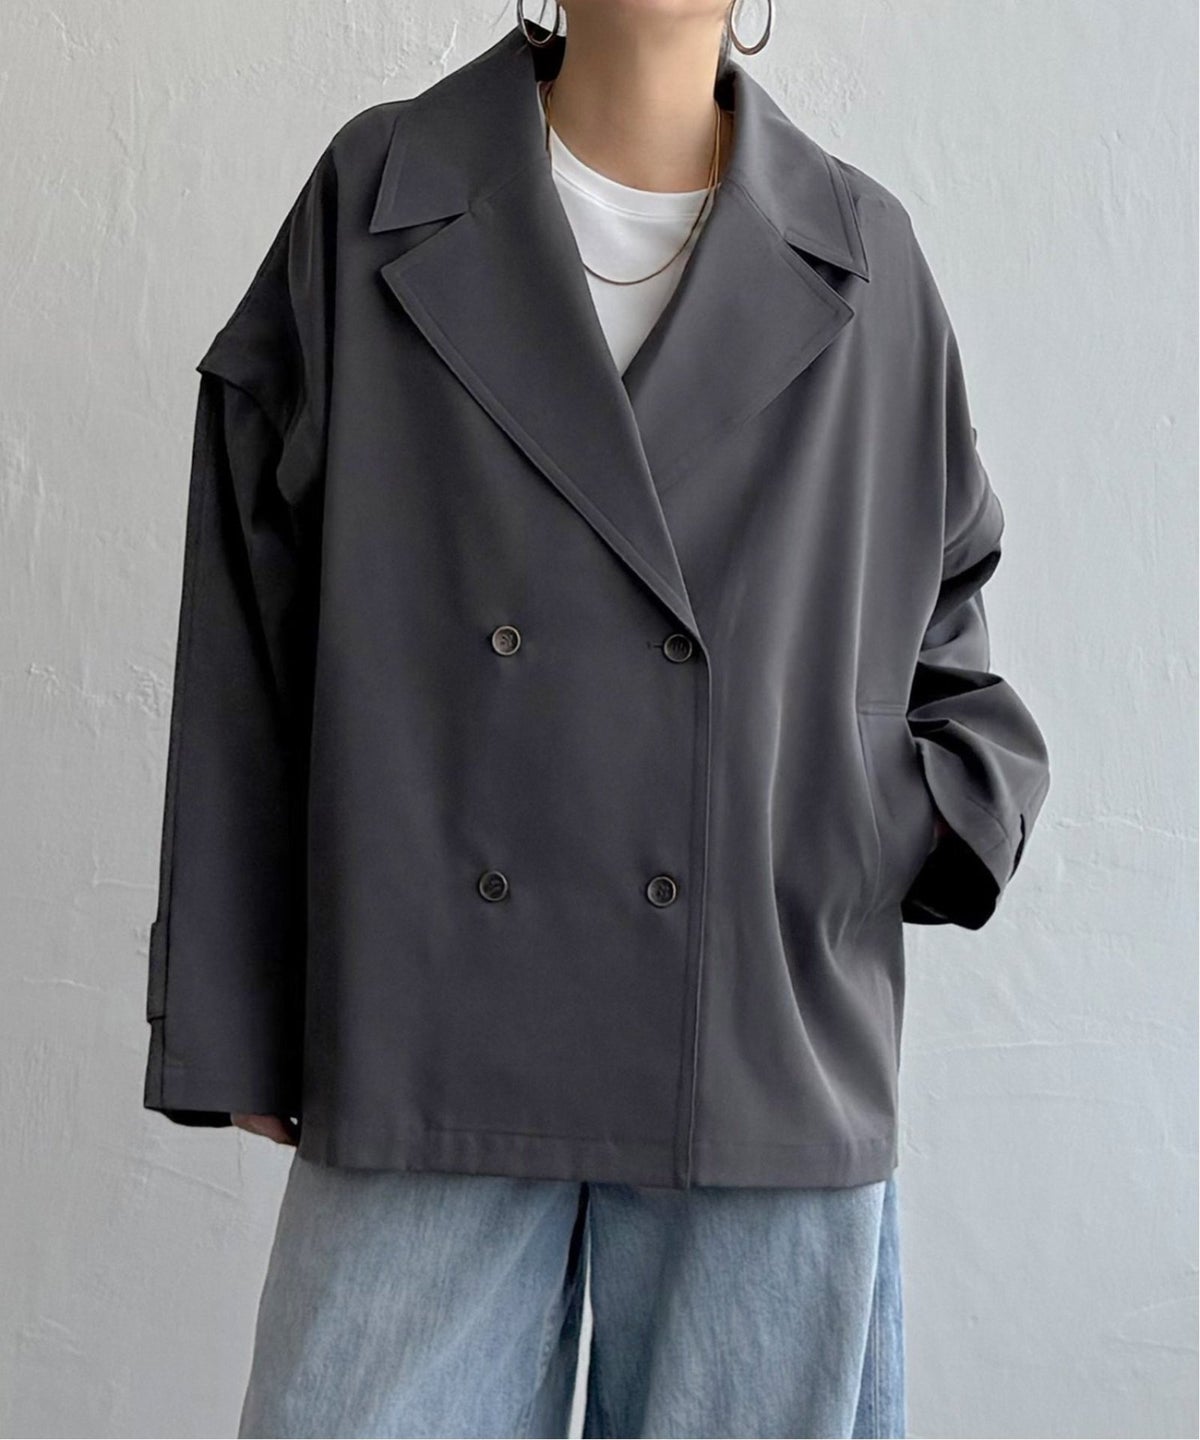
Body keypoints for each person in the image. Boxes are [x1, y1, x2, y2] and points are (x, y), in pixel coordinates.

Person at [144, 2, 1051, 1435]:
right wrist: (234, 1007)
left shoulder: (861, 251)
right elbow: (249, 613)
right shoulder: (378, 195)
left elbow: (942, 618)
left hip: (756, 1024)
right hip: (427, 1018)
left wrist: (889, 821)